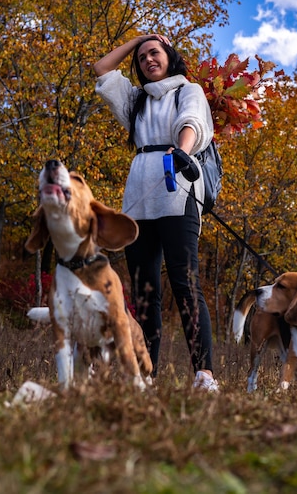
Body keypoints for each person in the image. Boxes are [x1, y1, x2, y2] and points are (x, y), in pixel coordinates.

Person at [93, 34, 218, 391]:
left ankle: (204, 375)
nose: (149, 59)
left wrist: (182, 150)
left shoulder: (187, 89)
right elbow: (101, 69)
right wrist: (138, 40)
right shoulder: (136, 100)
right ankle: (146, 375)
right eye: (143, 56)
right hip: (139, 195)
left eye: (156, 52)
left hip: (177, 189)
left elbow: (191, 121)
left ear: (170, 57)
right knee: (144, 288)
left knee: (185, 281)